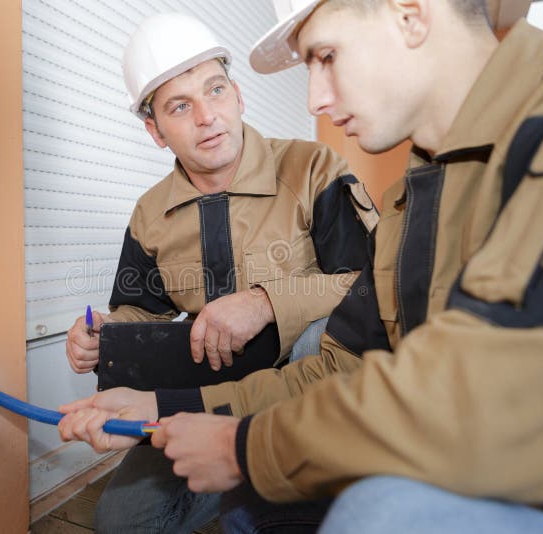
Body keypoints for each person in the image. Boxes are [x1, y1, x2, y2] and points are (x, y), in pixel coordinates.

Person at [59, 0, 543, 532]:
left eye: (326, 56)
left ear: (411, 15)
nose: (314, 100)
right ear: (154, 129)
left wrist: (249, 433)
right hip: (291, 404)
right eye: (179, 105)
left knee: (371, 512)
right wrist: (161, 400)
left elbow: (493, 404)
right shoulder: (411, 202)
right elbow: (340, 367)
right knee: (204, 514)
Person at [64, 11, 379, 533]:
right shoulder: (149, 214)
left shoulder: (313, 169)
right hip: (201, 401)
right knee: (121, 522)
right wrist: (99, 332)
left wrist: (263, 302)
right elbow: (139, 309)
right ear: (155, 130)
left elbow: (365, 285)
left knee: (322, 337)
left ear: (239, 96)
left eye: (215, 91)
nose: (207, 117)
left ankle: (282, 499)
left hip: (306, 399)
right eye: (180, 106)